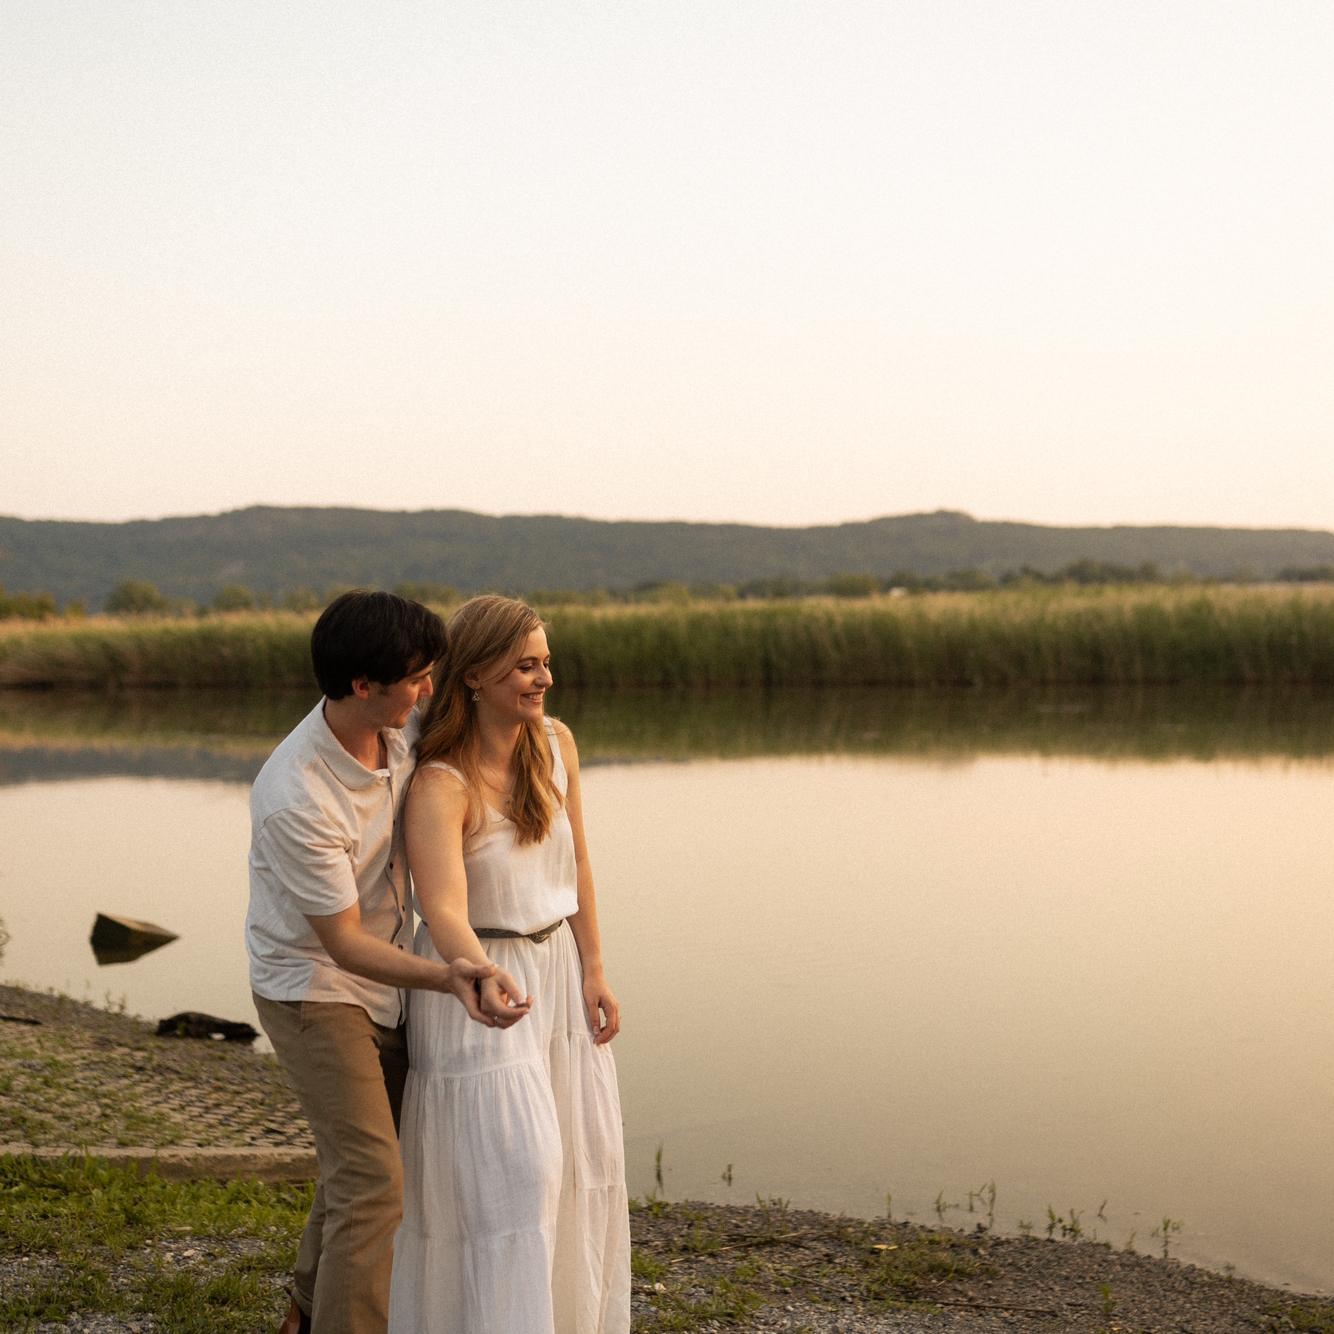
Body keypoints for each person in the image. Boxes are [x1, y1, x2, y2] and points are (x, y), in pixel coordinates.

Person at [246, 590, 531, 1334]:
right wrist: (451, 975)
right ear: (362, 686)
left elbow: (476, 720)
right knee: (373, 1178)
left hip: (389, 975)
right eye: (415, 679)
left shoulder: (398, 729)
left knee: (365, 1160)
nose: (429, 690)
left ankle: (305, 1311)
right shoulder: (295, 797)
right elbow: (341, 943)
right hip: (314, 988)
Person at [388, 595, 631, 1334]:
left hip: (556, 973)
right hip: (477, 992)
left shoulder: (556, 744)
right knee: (512, 1184)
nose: (544, 678)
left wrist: (595, 967)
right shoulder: (439, 782)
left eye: (546, 662)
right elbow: (444, 907)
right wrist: (474, 973)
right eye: (527, 665)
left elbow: (579, 861)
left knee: (575, 1175)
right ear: (476, 674)